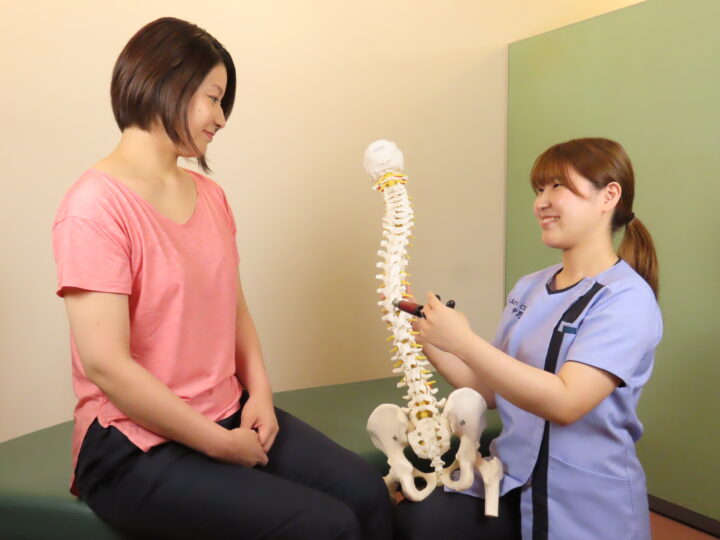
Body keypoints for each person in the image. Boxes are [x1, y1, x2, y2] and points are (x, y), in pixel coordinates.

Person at [52, 17, 392, 540]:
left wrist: (259, 393)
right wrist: (215, 442)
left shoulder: (210, 196)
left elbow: (234, 308)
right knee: (326, 526)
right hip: (133, 446)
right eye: (213, 99)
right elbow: (108, 367)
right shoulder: (94, 207)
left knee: (366, 492)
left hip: (228, 410)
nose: (221, 118)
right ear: (166, 82)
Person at [394, 138, 661, 540]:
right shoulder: (529, 287)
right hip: (510, 481)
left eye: (559, 187)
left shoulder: (627, 300)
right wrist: (428, 335)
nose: (542, 202)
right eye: (539, 190)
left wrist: (464, 341)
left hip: (586, 502)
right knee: (418, 522)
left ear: (609, 195)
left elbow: (567, 402)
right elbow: (489, 389)